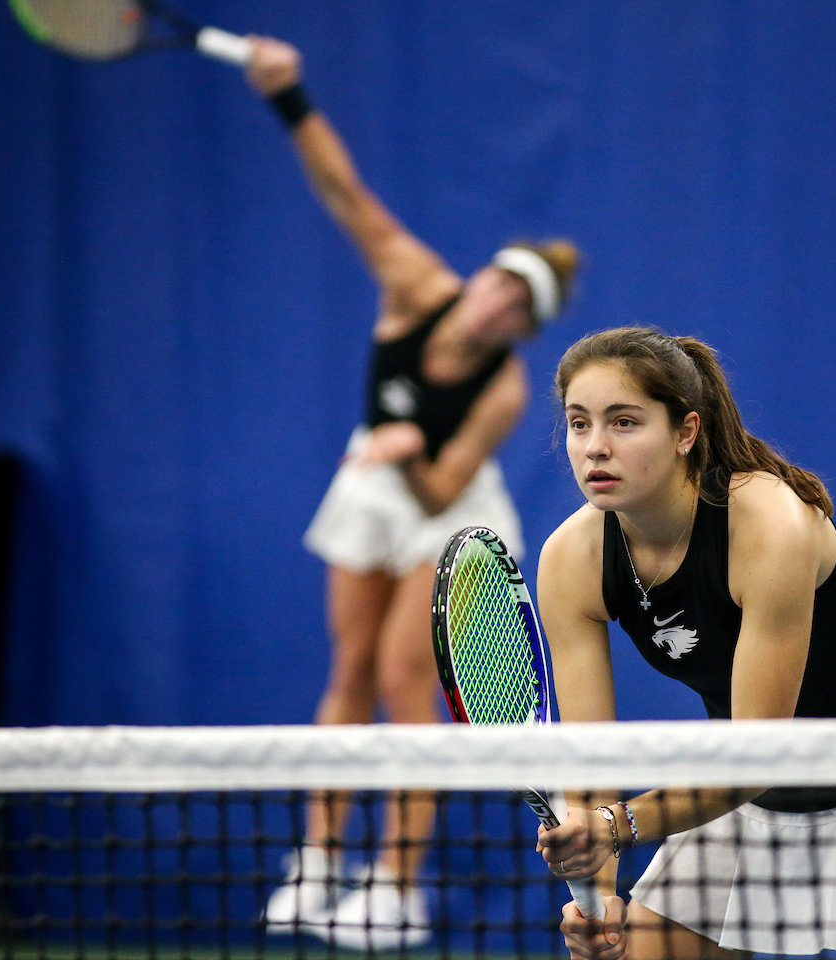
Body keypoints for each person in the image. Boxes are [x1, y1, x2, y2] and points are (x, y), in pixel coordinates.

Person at [243, 37, 580, 950]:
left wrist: (401, 451)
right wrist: (288, 96)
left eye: (519, 308)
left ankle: (398, 888)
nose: (497, 306)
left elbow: (438, 490)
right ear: (482, 275)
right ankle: (319, 863)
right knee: (348, 672)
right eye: (500, 285)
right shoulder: (411, 282)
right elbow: (343, 193)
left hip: (447, 510)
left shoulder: (505, 389)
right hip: (374, 488)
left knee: (404, 683)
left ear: (525, 328)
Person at [534, 328, 836, 960]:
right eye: (579, 423)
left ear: (685, 431)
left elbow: (758, 754)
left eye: (624, 422)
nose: (595, 446)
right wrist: (598, 900)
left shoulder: (769, 524)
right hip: (743, 798)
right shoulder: (572, 559)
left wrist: (616, 828)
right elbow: (590, 762)